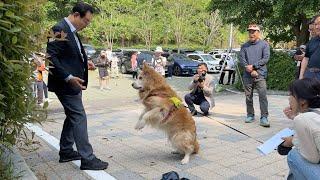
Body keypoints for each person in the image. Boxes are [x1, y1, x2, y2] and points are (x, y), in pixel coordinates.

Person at [46, 2, 108, 170]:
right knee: (79, 116)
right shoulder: (58, 28)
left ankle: (66, 151)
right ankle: (87, 158)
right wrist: (68, 77)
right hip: (65, 84)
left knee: (72, 116)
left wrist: (84, 62)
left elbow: (68, 54)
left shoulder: (72, 30)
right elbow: (50, 58)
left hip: (74, 84)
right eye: (86, 21)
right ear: (75, 15)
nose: (87, 25)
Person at [281, 78, 320, 180]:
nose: (289, 99)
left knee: (293, 155)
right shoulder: (313, 115)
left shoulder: (302, 119)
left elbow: (313, 158)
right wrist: (295, 117)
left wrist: (293, 141)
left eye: (291, 95)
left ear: (302, 101)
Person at [240, 23, 270, 127]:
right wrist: (250, 69)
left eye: (253, 31)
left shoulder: (264, 44)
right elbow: (242, 60)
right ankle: (250, 114)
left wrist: (254, 67)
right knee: (248, 96)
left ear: (258, 32)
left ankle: (264, 117)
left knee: (262, 96)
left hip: (260, 75)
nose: (251, 33)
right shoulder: (244, 46)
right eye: (250, 31)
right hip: (247, 75)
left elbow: (265, 58)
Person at [299, 14, 320, 80]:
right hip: (310, 75)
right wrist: (301, 76)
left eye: (319, 24)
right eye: (315, 24)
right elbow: (306, 58)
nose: (317, 27)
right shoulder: (312, 41)